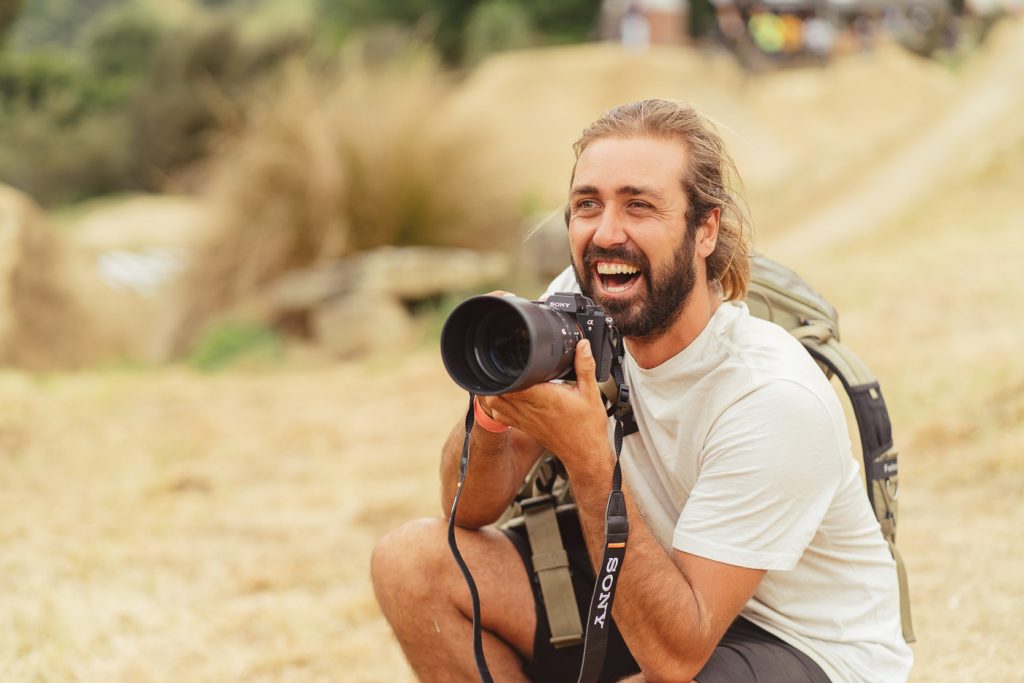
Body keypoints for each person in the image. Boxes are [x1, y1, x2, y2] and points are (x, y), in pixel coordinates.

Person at [371, 99, 913, 682]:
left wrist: (588, 461)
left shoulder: (769, 395)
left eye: (639, 205)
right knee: (412, 564)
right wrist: (496, 410)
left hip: (800, 642)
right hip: (651, 580)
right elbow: (468, 508)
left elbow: (675, 658)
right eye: (587, 205)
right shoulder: (580, 309)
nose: (607, 233)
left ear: (705, 229)